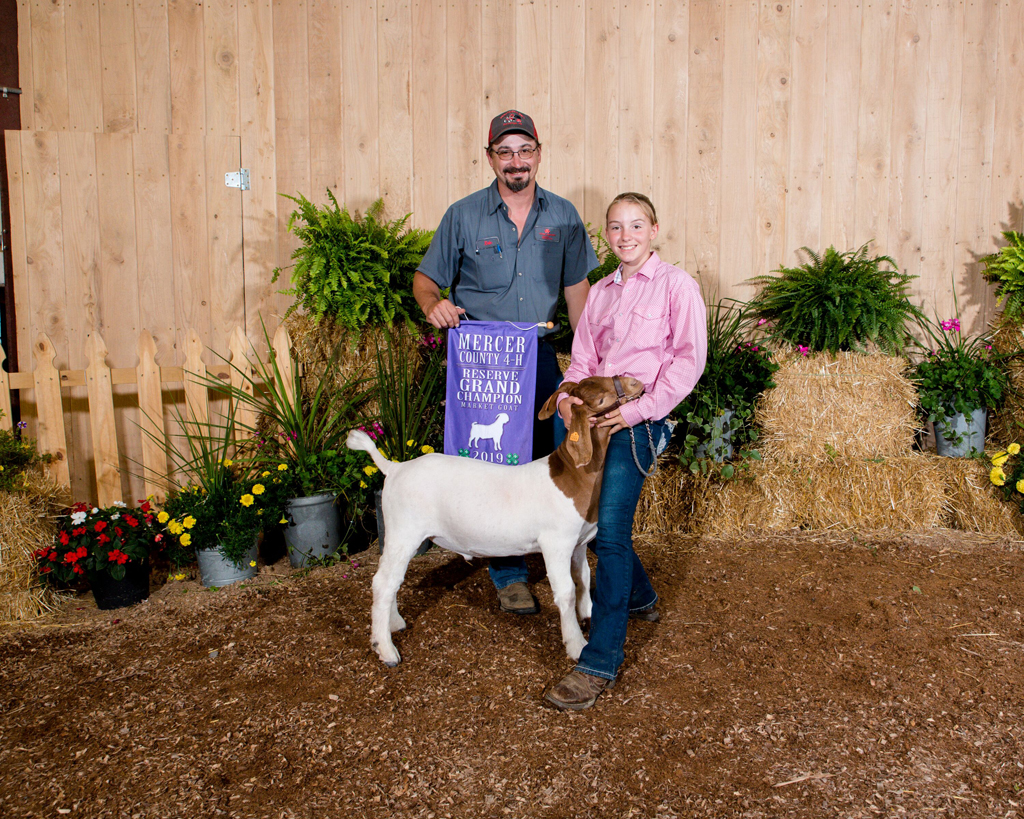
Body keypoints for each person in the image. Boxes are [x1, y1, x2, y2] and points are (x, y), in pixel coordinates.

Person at [414, 109, 597, 616]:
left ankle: (573, 560)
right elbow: (425, 280)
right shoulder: (463, 215)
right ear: (490, 157)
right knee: (494, 468)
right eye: (505, 152)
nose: (516, 161)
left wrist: (587, 363)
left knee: (557, 456)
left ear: (539, 153)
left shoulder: (564, 216)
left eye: (524, 150)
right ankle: (509, 574)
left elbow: (577, 291)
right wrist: (433, 304)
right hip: (484, 362)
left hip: (539, 355)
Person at [544, 192, 707, 711]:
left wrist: (639, 412)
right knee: (593, 529)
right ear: (607, 234)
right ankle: (641, 598)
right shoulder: (600, 293)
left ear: (654, 230)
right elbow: (582, 359)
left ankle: (598, 662)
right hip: (590, 422)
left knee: (611, 535)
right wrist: (567, 399)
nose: (625, 235)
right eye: (615, 227)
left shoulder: (677, 287)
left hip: (639, 422)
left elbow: (688, 362)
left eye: (636, 225)